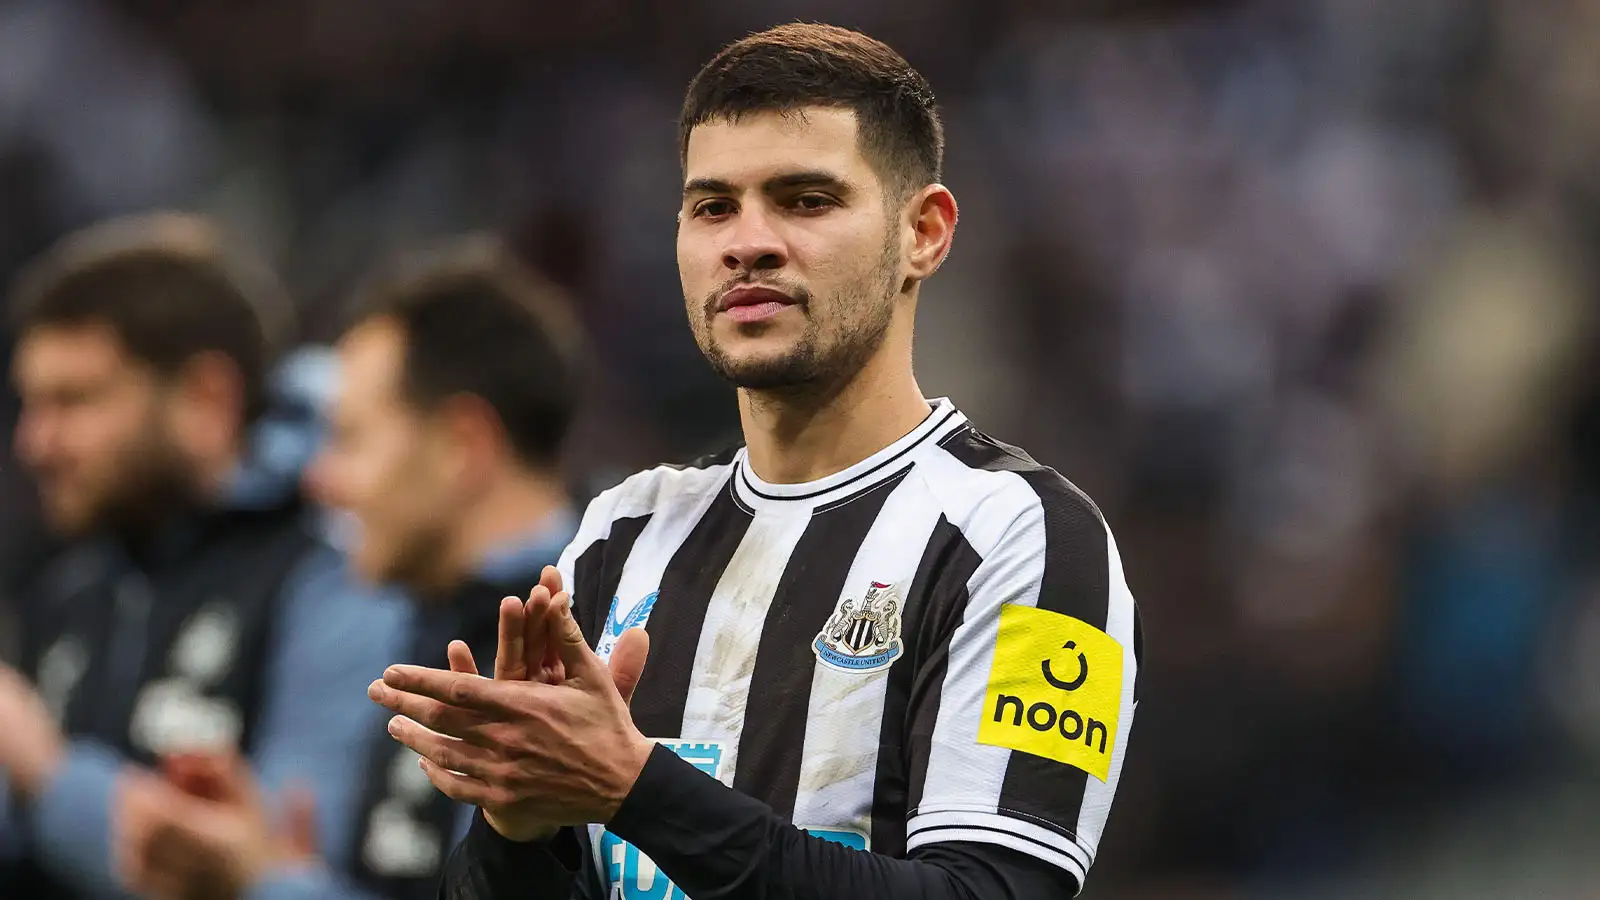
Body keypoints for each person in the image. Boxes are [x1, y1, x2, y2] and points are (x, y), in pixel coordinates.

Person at [369, 23, 1144, 900]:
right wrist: (520, 828)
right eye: (712, 207)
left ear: (923, 233)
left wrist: (633, 789)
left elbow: (992, 894)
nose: (748, 242)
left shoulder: (1023, 538)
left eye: (806, 200)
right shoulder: (628, 530)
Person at [117, 237, 603, 900]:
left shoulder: (595, 650)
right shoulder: (418, 621)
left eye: (351, 439)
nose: (321, 480)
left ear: (463, 446)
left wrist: (263, 884)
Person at [0, 213, 394, 900]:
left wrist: (47, 773)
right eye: (30, 404)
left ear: (206, 400)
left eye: (74, 401)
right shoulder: (73, 583)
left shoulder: (333, 579)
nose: (35, 443)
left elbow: (282, 871)